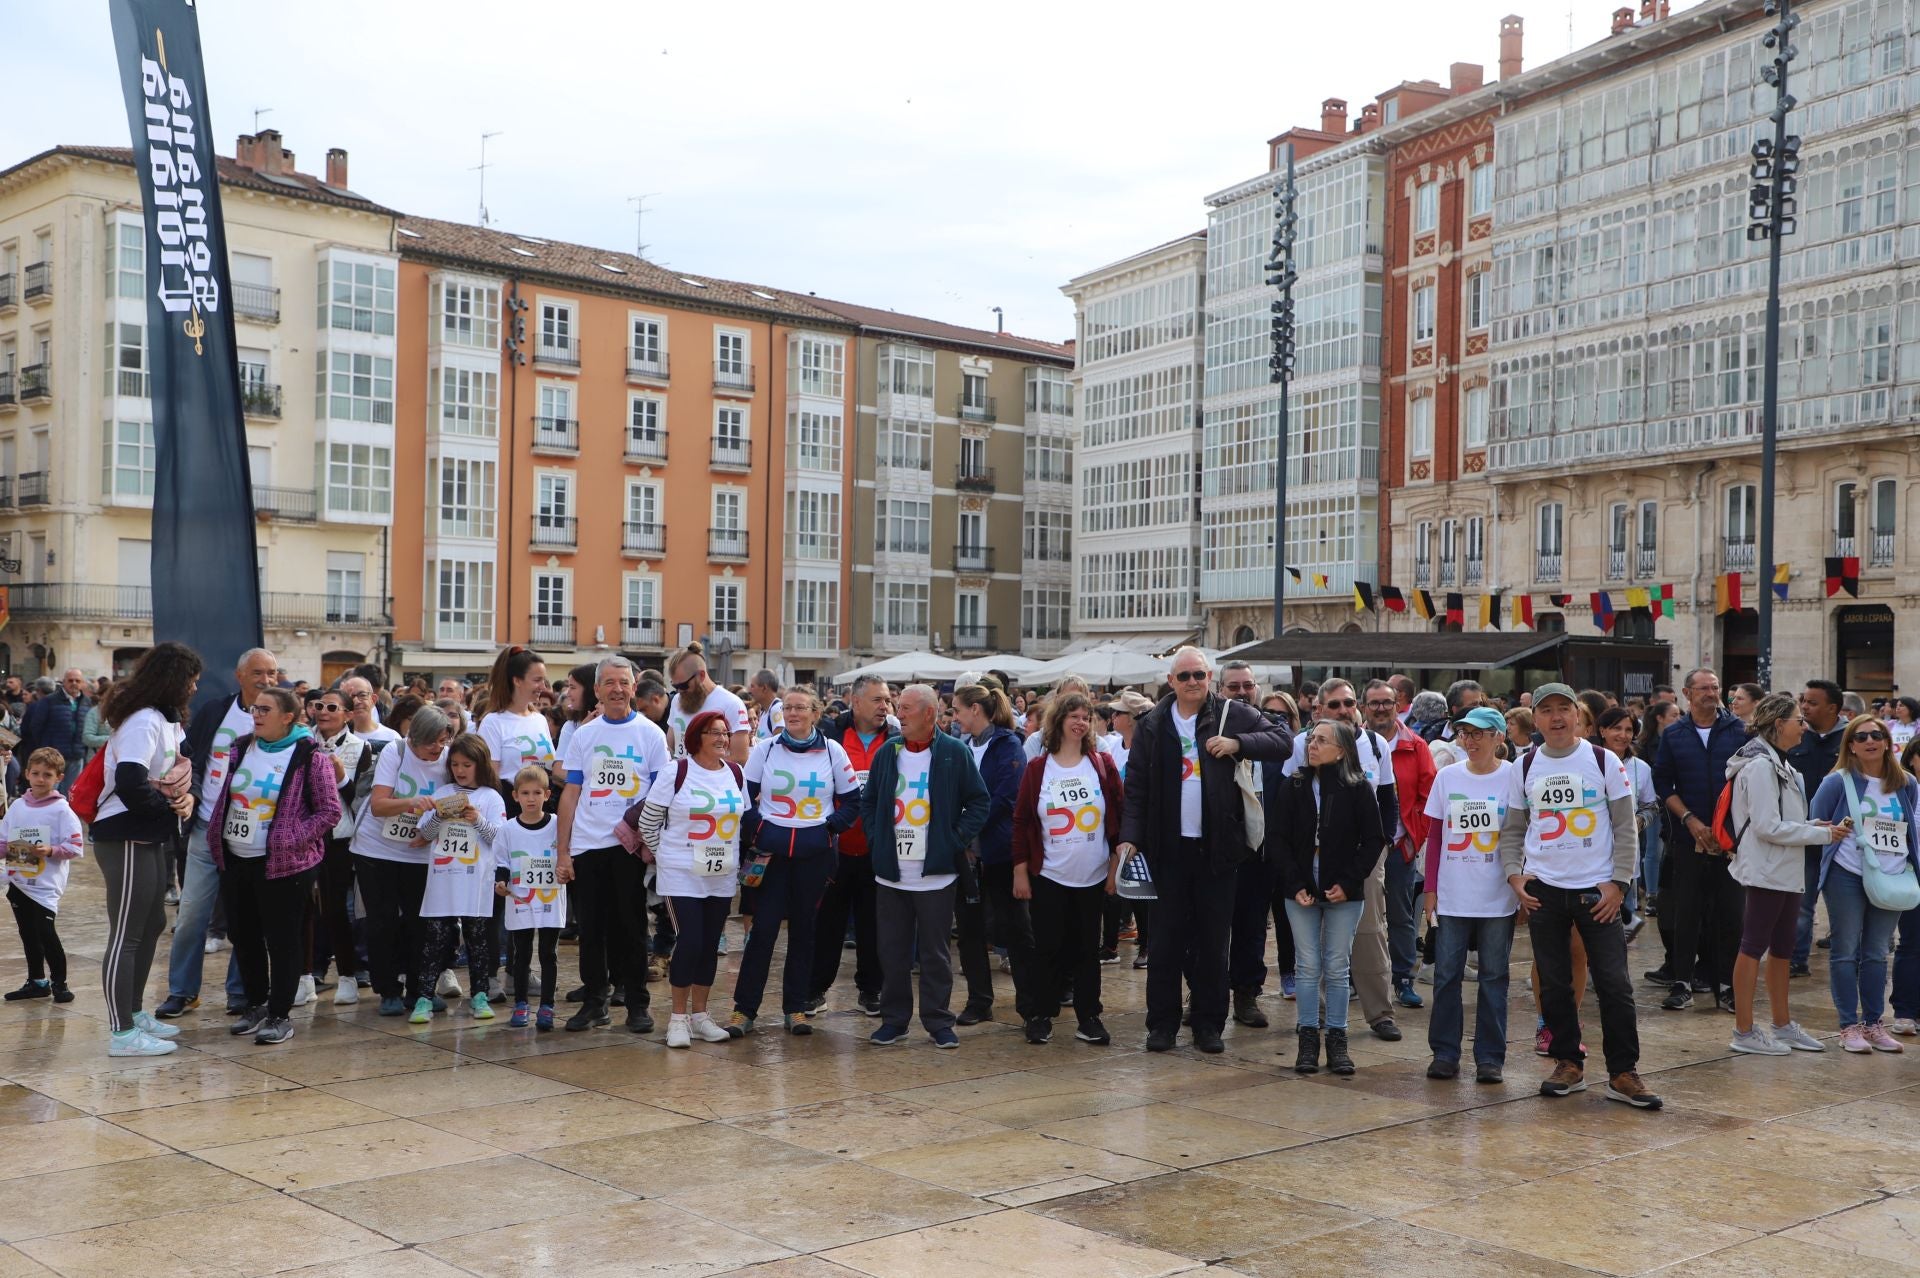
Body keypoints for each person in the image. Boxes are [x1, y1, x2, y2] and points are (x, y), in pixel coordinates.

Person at [1118, 648, 1293, 1054]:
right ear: (1171, 681)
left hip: (1218, 848)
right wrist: (1130, 836)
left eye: (1199, 674)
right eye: (1184, 676)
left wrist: (1237, 743)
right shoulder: (1153, 723)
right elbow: (1137, 786)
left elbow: (1282, 741)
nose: (1192, 682)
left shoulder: (1231, 713)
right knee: (1165, 942)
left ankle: (1208, 1024)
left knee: (1214, 943)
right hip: (1167, 848)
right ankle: (1162, 1024)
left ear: (1209, 677)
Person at [1497, 683, 1660, 1108]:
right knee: (1554, 985)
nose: (1556, 717)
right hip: (1544, 891)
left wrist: (1618, 883)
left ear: (1577, 715)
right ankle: (1567, 1062)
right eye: (1546, 710)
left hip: (1597, 892)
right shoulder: (1523, 766)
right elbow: (1512, 829)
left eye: (1563, 709)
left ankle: (1623, 1072)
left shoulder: (1604, 761)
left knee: (1614, 984)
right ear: (1536, 718)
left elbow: (1625, 827)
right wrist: (1515, 876)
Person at [208, 686, 341, 1045]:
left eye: (265, 709)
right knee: (243, 936)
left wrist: (291, 838)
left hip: (285, 865)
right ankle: (255, 1005)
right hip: (236, 858)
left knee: (282, 940)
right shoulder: (241, 747)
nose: (257, 714)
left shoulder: (310, 756)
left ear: (288, 717)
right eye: (255, 708)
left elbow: (330, 811)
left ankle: (280, 1015)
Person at [154, 647, 281, 1019]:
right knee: (191, 916)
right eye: (258, 673)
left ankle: (240, 992)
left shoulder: (283, 719)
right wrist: (191, 795)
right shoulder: (215, 711)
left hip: (254, 835)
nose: (266, 680)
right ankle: (182, 991)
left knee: (247, 919)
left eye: (272, 673)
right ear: (239, 676)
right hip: (208, 827)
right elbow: (190, 759)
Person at [862, 684, 991, 1048]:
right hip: (892, 875)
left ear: (929, 714)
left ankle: (938, 1021)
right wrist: (877, 838)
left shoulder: (954, 752)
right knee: (892, 952)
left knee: (935, 954)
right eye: (898, 707)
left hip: (936, 875)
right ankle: (894, 1020)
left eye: (905, 708)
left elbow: (979, 802)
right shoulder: (888, 752)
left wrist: (953, 840)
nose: (898, 714)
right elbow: (869, 801)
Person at [730, 690, 859, 1036]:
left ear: (815, 713)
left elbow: (853, 801)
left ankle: (796, 1008)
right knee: (762, 932)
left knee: (804, 931)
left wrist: (829, 828)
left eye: (800, 707)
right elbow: (744, 797)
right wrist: (760, 829)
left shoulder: (832, 751)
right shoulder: (766, 749)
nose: (792, 713)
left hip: (814, 858)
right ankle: (744, 1010)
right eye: (787, 708)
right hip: (772, 857)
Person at [93, 642, 201, 1056]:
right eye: (190, 680)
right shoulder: (143, 721)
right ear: (172, 679)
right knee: (127, 932)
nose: (194, 688)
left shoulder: (167, 719)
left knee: (153, 921)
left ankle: (135, 1012)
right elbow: (130, 782)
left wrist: (186, 798)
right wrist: (168, 806)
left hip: (149, 832)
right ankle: (121, 1032)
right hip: (124, 832)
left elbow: (185, 765)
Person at [1723, 693, 1844, 1055]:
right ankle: (1744, 1030)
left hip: (1784, 869)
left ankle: (1782, 1024)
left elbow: (1783, 821)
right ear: (1778, 724)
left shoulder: (1782, 765)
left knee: (1783, 948)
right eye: (1798, 720)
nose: (1804, 727)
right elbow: (1766, 826)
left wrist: (1814, 826)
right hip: (1766, 870)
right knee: (1753, 946)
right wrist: (1821, 834)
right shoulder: (1760, 766)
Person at [1283, 679, 1401, 1042]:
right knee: (1315, 944)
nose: (1344, 710)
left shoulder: (1376, 744)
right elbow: (1289, 804)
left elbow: (1388, 800)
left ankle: (1379, 1013)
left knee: (1369, 934)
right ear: (1319, 709)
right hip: (1312, 860)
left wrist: (1381, 848)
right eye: (1334, 705)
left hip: (1364, 858)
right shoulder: (1302, 746)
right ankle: (1317, 1014)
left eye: (1349, 703)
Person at [558, 656, 670, 1033]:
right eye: (609, 682)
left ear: (634, 688)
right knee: (591, 930)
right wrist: (563, 851)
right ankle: (595, 1001)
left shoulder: (650, 734)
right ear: (598, 690)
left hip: (629, 845)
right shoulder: (584, 735)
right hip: (588, 844)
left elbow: (662, 792)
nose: (617, 689)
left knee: (631, 927)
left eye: (623, 682)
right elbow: (571, 792)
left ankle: (637, 1003)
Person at [1012, 692, 1124, 1046]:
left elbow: (1118, 818)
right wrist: (1019, 870)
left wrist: (1114, 869)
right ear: (1058, 720)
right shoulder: (1038, 768)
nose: (1080, 722)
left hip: (1093, 876)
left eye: (1086, 717)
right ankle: (1040, 1014)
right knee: (1047, 947)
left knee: (1088, 950)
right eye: (1073, 716)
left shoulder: (1101, 764)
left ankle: (1089, 1016)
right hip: (1049, 875)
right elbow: (1022, 821)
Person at [1276, 719, 1385, 1075]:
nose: (1312, 745)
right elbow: (1277, 840)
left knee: (1337, 967)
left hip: (1344, 892)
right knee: (1308, 966)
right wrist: (1295, 884)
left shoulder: (1358, 788)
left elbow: (1373, 840)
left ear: (1341, 751)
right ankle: (1308, 1039)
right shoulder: (1293, 785)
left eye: (1322, 740)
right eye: (1311, 739)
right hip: (1301, 889)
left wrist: (1349, 883)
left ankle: (1337, 1040)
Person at [635, 709, 746, 1048]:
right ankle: (678, 1019)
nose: (722, 738)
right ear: (697, 737)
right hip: (682, 875)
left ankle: (700, 1016)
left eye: (725, 733)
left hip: (720, 874)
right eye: (714, 732)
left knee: (710, 944)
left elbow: (741, 821)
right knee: (691, 940)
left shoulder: (735, 773)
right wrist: (667, 857)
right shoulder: (677, 771)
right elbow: (648, 822)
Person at [1810, 715, 1920, 1053]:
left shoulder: (1906, 783)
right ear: (1851, 746)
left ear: (1887, 742)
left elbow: (1909, 828)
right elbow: (1816, 823)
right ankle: (1849, 1026)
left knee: (1876, 953)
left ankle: (1874, 1024)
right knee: (1845, 951)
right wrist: (1832, 832)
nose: (1869, 740)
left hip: (1891, 876)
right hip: (1846, 874)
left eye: (1876, 734)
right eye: (1860, 737)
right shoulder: (1836, 782)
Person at [1421, 707, 1518, 1082]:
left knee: (1494, 977)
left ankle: (1490, 1057)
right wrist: (1430, 889)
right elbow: (1435, 837)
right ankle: (1445, 1053)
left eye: (1479, 734)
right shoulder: (1447, 777)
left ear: (1498, 737)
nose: (1470, 740)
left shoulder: (1513, 777)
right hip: (1453, 894)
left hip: (1498, 896)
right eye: (1465, 733)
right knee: (1446, 975)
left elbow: (1522, 833)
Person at [1652, 668, 1747, 1013]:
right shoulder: (1674, 734)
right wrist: (1689, 819)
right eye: (1704, 688)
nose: (1711, 693)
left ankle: (1728, 984)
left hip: (1731, 839)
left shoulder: (1739, 730)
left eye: (1715, 687)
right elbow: (1663, 783)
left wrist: (1731, 827)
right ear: (1687, 693)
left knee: (1731, 913)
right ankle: (1682, 981)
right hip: (1687, 838)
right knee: (1686, 911)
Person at [350, 704, 454, 1017]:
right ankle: (388, 989)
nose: (437, 748)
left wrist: (431, 831)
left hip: (420, 851)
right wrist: (412, 802)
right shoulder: (395, 752)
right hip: (376, 849)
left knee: (421, 922)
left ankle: (420, 989)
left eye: (442, 741)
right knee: (382, 921)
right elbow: (379, 805)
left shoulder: (448, 758)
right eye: (431, 742)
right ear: (414, 738)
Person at [809, 674, 898, 1012]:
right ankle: (815, 989)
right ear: (856, 702)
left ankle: (871, 990)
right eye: (878, 700)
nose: (885, 706)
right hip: (834, 847)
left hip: (878, 848)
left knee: (874, 924)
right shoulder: (831, 735)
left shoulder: (896, 739)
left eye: (887, 700)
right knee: (827, 924)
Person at [951, 682, 1034, 1028]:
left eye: (957, 710)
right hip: (966, 855)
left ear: (975, 709)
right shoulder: (961, 747)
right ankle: (978, 1001)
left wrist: (966, 828)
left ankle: (1031, 1005)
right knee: (969, 931)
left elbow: (1006, 798)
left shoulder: (1007, 745)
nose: (954, 717)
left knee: (1016, 930)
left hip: (1000, 853)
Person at [411, 734, 507, 1023]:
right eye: (455, 764)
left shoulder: (491, 797)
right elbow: (425, 834)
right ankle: (424, 997)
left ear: (480, 764)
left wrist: (477, 819)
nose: (460, 770)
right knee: (435, 939)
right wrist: (439, 815)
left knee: (478, 940)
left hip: (476, 881)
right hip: (443, 879)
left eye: (467, 764)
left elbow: (499, 839)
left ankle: (480, 995)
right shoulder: (442, 793)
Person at [1364, 680, 1436, 1012]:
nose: (1381, 708)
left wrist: (1413, 835)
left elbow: (1428, 795)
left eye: (1387, 702)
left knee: (1401, 915)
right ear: (1364, 707)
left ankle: (1403, 978)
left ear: (1398, 706)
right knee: (1359, 915)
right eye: (1374, 703)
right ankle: (1357, 978)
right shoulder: (1353, 742)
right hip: (1360, 846)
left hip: (1398, 845)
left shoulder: (1416, 745)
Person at [3, 747, 83, 1002]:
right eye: (35, 773)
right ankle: (37, 981)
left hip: (45, 885)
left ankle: (60, 983)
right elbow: (4, 839)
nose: (40, 779)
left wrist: (51, 850)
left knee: (46, 933)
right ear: (26, 773)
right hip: (19, 881)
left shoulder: (62, 810)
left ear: (59, 777)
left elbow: (75, 846)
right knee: (27, 933)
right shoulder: (17, 806)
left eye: (47, 775)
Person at [308, 689, 372, 1005]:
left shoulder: (361, 748)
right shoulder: (302, 743)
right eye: (319, 706)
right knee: (304, 910)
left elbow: (362, 803)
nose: (324, 712)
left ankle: (347, 975)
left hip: (339, 838)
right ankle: (304, 977)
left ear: (348, 714)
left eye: (332, 707)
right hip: (303, 835)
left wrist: (342, 778)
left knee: (335, 909)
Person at [496, 765, 567, 1029]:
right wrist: (500, 882)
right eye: (525, 793)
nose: (531, 798)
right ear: (515, 796)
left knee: (548, 953)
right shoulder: (507, 829)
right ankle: (521, 1003)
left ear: (547, 795)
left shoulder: (558, 824)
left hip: (550, 899)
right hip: (520, 899)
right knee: (521, 953)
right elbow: (502, 861)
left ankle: (547, 1005)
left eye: (537, 793)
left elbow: (566, 854)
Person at [1789, 680, 1847, 976]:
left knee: (1846, 905)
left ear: (1832, 708)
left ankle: (1849, 958)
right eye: (1803, 701)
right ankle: (1797, 959)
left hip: (1843, 837)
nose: (1805, 707)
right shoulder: (1796, 736)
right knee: (1801, 902)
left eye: (1812, 702)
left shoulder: (1852, 738)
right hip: (1805, 833)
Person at [1595, 707, 1657, 940]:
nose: (1623, 735)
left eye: (1629, 730)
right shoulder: (1588, 762)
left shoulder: (1641, 768)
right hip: (1589, 856)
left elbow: (1651, 805)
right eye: (1616, 728)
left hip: (1624, 858)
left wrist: (1638, 821)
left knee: (1619, 932)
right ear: (1602, 731)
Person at [479, 647, 560, 792]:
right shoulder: (493, 722)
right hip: (510, 801)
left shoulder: (540, 720)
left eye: (544, 680)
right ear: (517, 680)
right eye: (537, 680)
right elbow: (490, 778)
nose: (543, 687)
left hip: (543, 801)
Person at [665, 643, 750, 763]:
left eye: (683, 685)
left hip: (716, 775)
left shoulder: (732, 704)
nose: (679, 691)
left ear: (701, 676)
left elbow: (740, 757)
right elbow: (670, 746)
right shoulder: (677, 700)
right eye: (675, 686)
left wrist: (699, 767)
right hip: (681, 773)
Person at [18, 669, 90, 796]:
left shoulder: (86, 702)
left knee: (71, 793)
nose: (74, 683)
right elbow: (36, 726)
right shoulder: (49, 701)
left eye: (77, 681)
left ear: (82, 683)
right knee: (48, 792)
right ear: (64, 682)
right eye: (70, 680)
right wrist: (46, 747)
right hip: (53, 757)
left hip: (76, 755)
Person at [339, 675, 401, 746]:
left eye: (362, 695)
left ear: (373, 700)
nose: (356, 701)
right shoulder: (335, 737)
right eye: (350, 696)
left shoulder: (392, 738)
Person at [748, 670, 784, 741]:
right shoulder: (764, 711)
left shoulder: (777, 709)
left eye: (752, 686)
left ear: (764, 688)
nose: (749, 691)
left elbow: (779, 744)